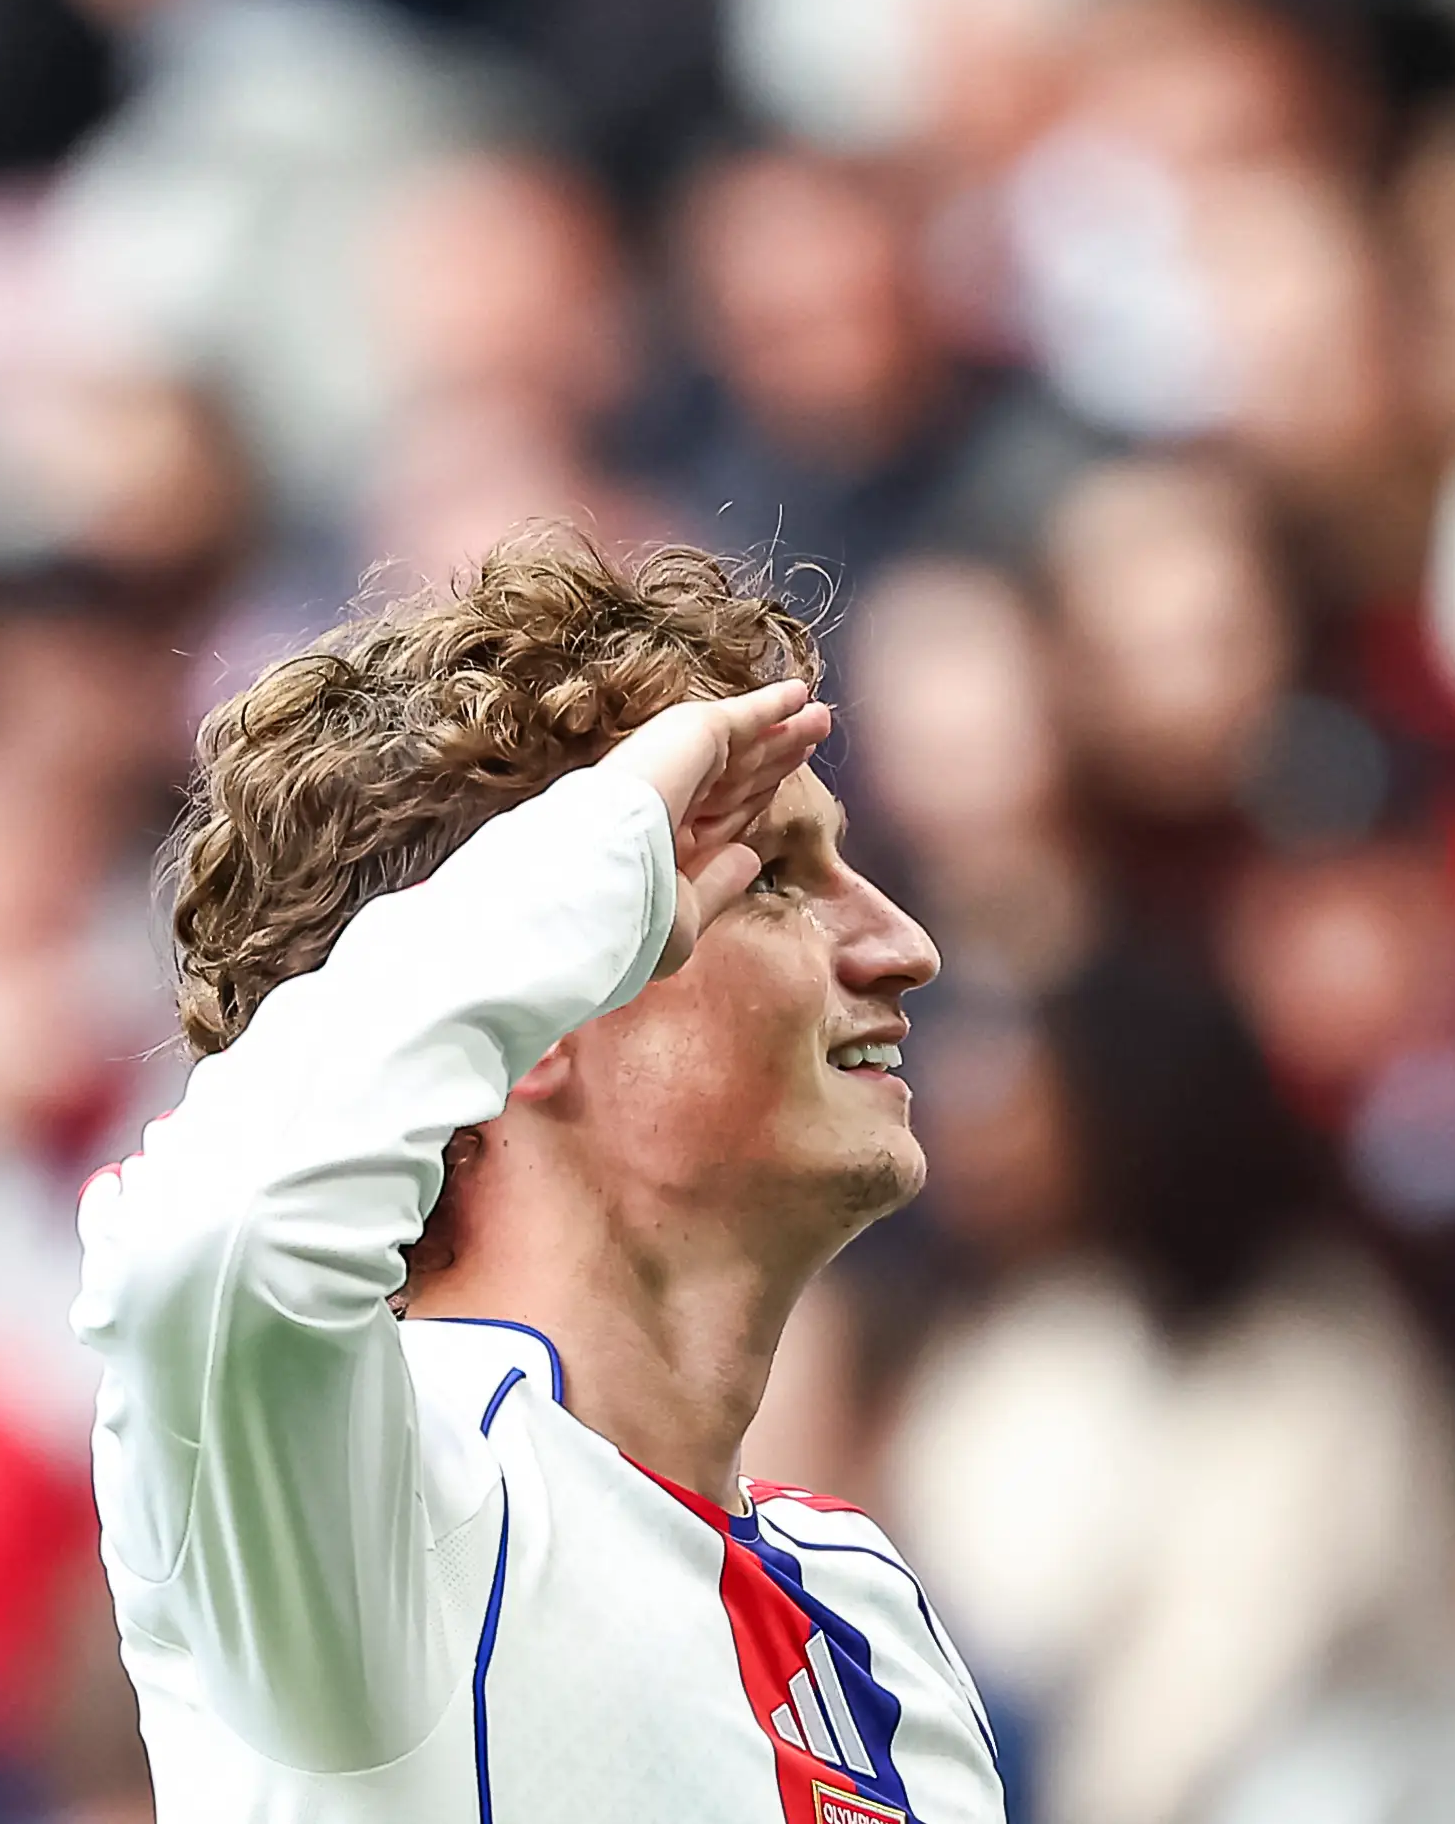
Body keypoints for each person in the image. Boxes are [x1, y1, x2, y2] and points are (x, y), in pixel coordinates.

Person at [70, 534, 1004, 1823]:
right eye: (776, 882)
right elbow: (210, 1238)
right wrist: (596, 866)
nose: (904, 947)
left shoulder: (863, 1604)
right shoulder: (377, 1503)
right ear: (542, 1008)